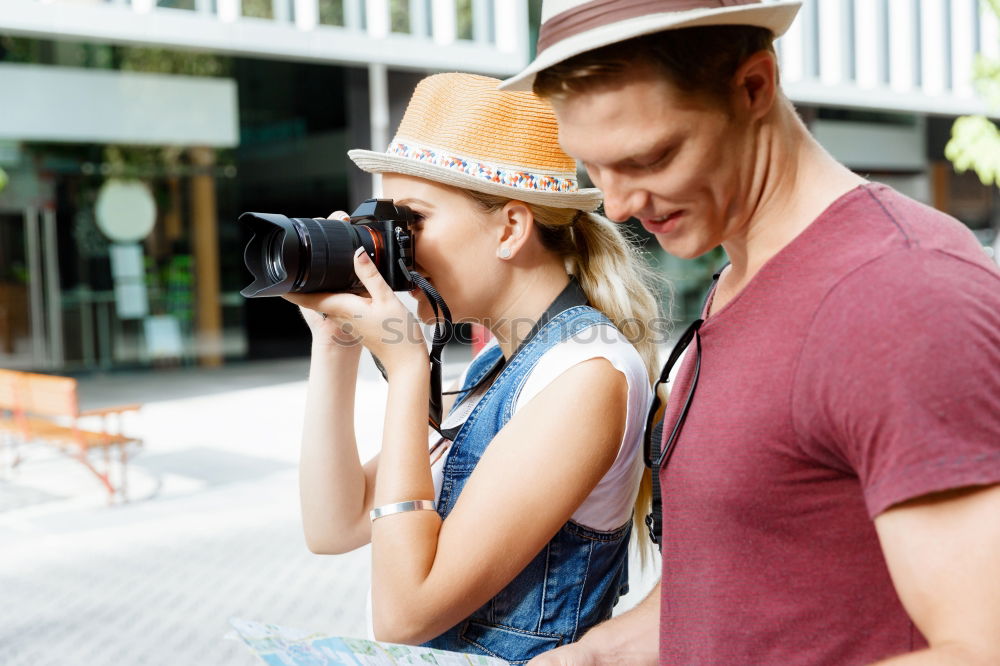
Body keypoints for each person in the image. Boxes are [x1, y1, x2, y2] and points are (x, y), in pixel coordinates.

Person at [498, 1, 1000, 664]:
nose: (616, 205)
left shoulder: (901, 294)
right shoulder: (738, 280)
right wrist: (591, 656)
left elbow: (981, 646)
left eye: (649, 159)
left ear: (755, 86)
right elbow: (745, 584)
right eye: (593, 168)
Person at [284, 72, 663, 664]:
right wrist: (335, 346)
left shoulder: (586, 373)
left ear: (510, 227)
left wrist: (410, 373)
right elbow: (333, 526)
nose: (394, 248)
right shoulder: (502, 363)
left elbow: (405, 614)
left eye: (412, 220)